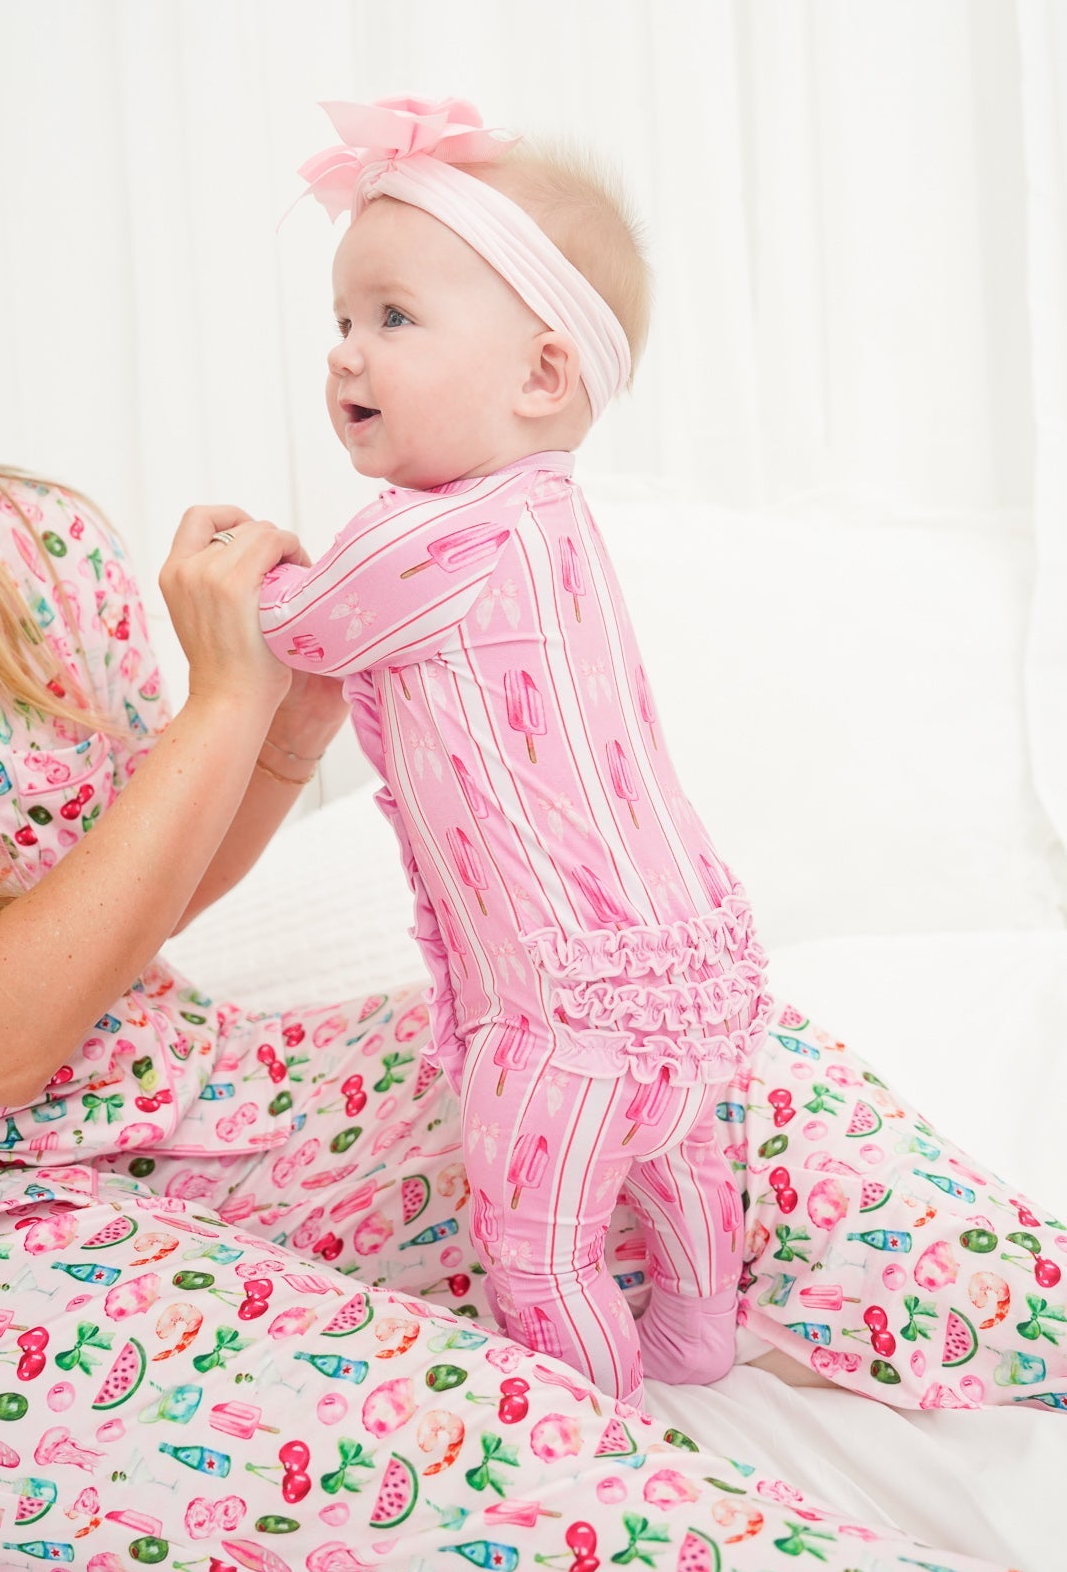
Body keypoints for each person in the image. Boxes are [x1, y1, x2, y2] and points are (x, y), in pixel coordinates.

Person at [0, 150, 1067, 1572]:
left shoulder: (27, 542)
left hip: (184, 1092)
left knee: (731, 1102)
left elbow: (117, 904)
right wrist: (226, 704)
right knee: (478, 1463)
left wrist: (278, 739)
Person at [261, 95, 751, 1403]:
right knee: (678, 1165)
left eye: (393, 318)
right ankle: (700, 1342)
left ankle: (598, 1442)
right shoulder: (551, 517)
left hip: (561, 994)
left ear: (541, 375)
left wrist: (241, 573)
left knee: (539, 1244)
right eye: (341, 321)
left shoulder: (428, 534)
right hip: (686, 961)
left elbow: (299, 630)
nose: (346, 354)